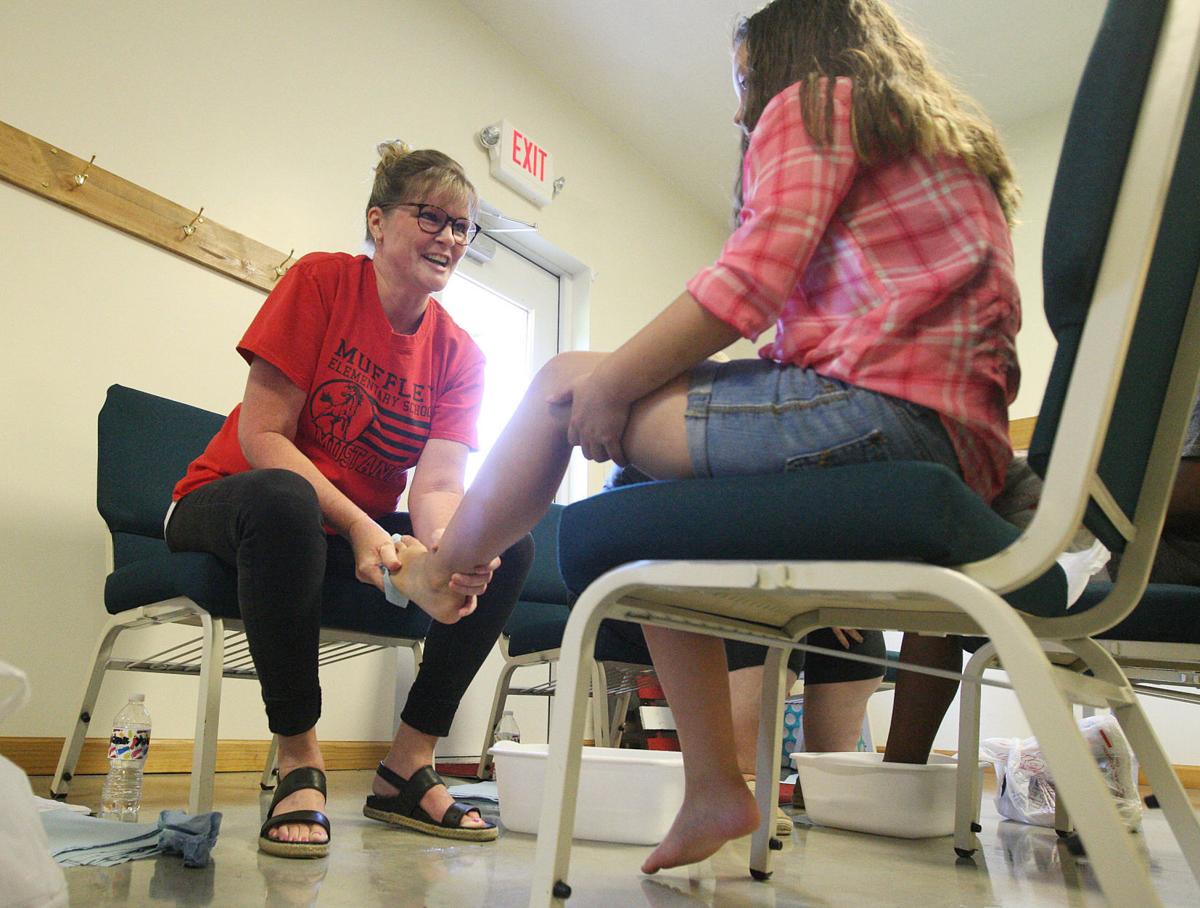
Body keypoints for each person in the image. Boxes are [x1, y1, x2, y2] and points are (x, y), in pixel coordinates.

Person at [387, 0, 1020, 875]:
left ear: (787, 60)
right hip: (954, 440)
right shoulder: (934, 141)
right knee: (640, 497)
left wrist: (612, 386)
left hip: (884, 417)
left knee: (559, 384)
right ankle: (715, 786)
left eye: (741, 81)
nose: (736, 110)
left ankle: (436, 569)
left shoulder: (819, 98)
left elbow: (748, 283)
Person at [166, 144, 533, 858]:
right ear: (378, 221)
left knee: (504, 544)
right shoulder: (321, 283)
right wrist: (369, 532)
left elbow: (435, 486)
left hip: (326, 534)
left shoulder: (461, 355)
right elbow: (264, 436)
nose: (451, 238)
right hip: (231, 504)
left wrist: (445, 551)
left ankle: (405, 765)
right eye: (433, 217)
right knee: (283, 501)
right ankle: (300, 759)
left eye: (464, 228)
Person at [882, 395, 1200, 765]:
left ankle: (898, 775)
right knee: (948, 582)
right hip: (1138, 556)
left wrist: (1079, 494)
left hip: (1160, 569)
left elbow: (1191, 491)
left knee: (949, 591)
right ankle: (896, 780)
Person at [605, 464, 886, 834]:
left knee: (852, 633)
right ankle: (739, 781)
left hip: (749, 563)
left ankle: (823, 784)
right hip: (651, 568)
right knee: (759, 620)